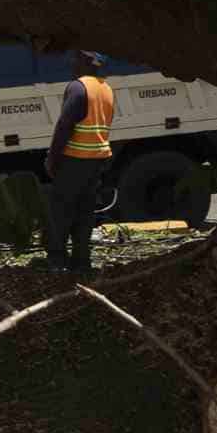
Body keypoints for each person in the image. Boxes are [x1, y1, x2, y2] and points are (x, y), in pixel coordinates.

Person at [43, 55, 120, 276]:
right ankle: (82, 262)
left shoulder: (78, 88)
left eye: (76, 62)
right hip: (96, 160)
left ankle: (57, 260)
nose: (72, 65)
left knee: (61, 211)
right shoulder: (106, 88)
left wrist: (52, 158)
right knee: (85, 212)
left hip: (74, 160)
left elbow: (64, 126)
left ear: (84, 65)